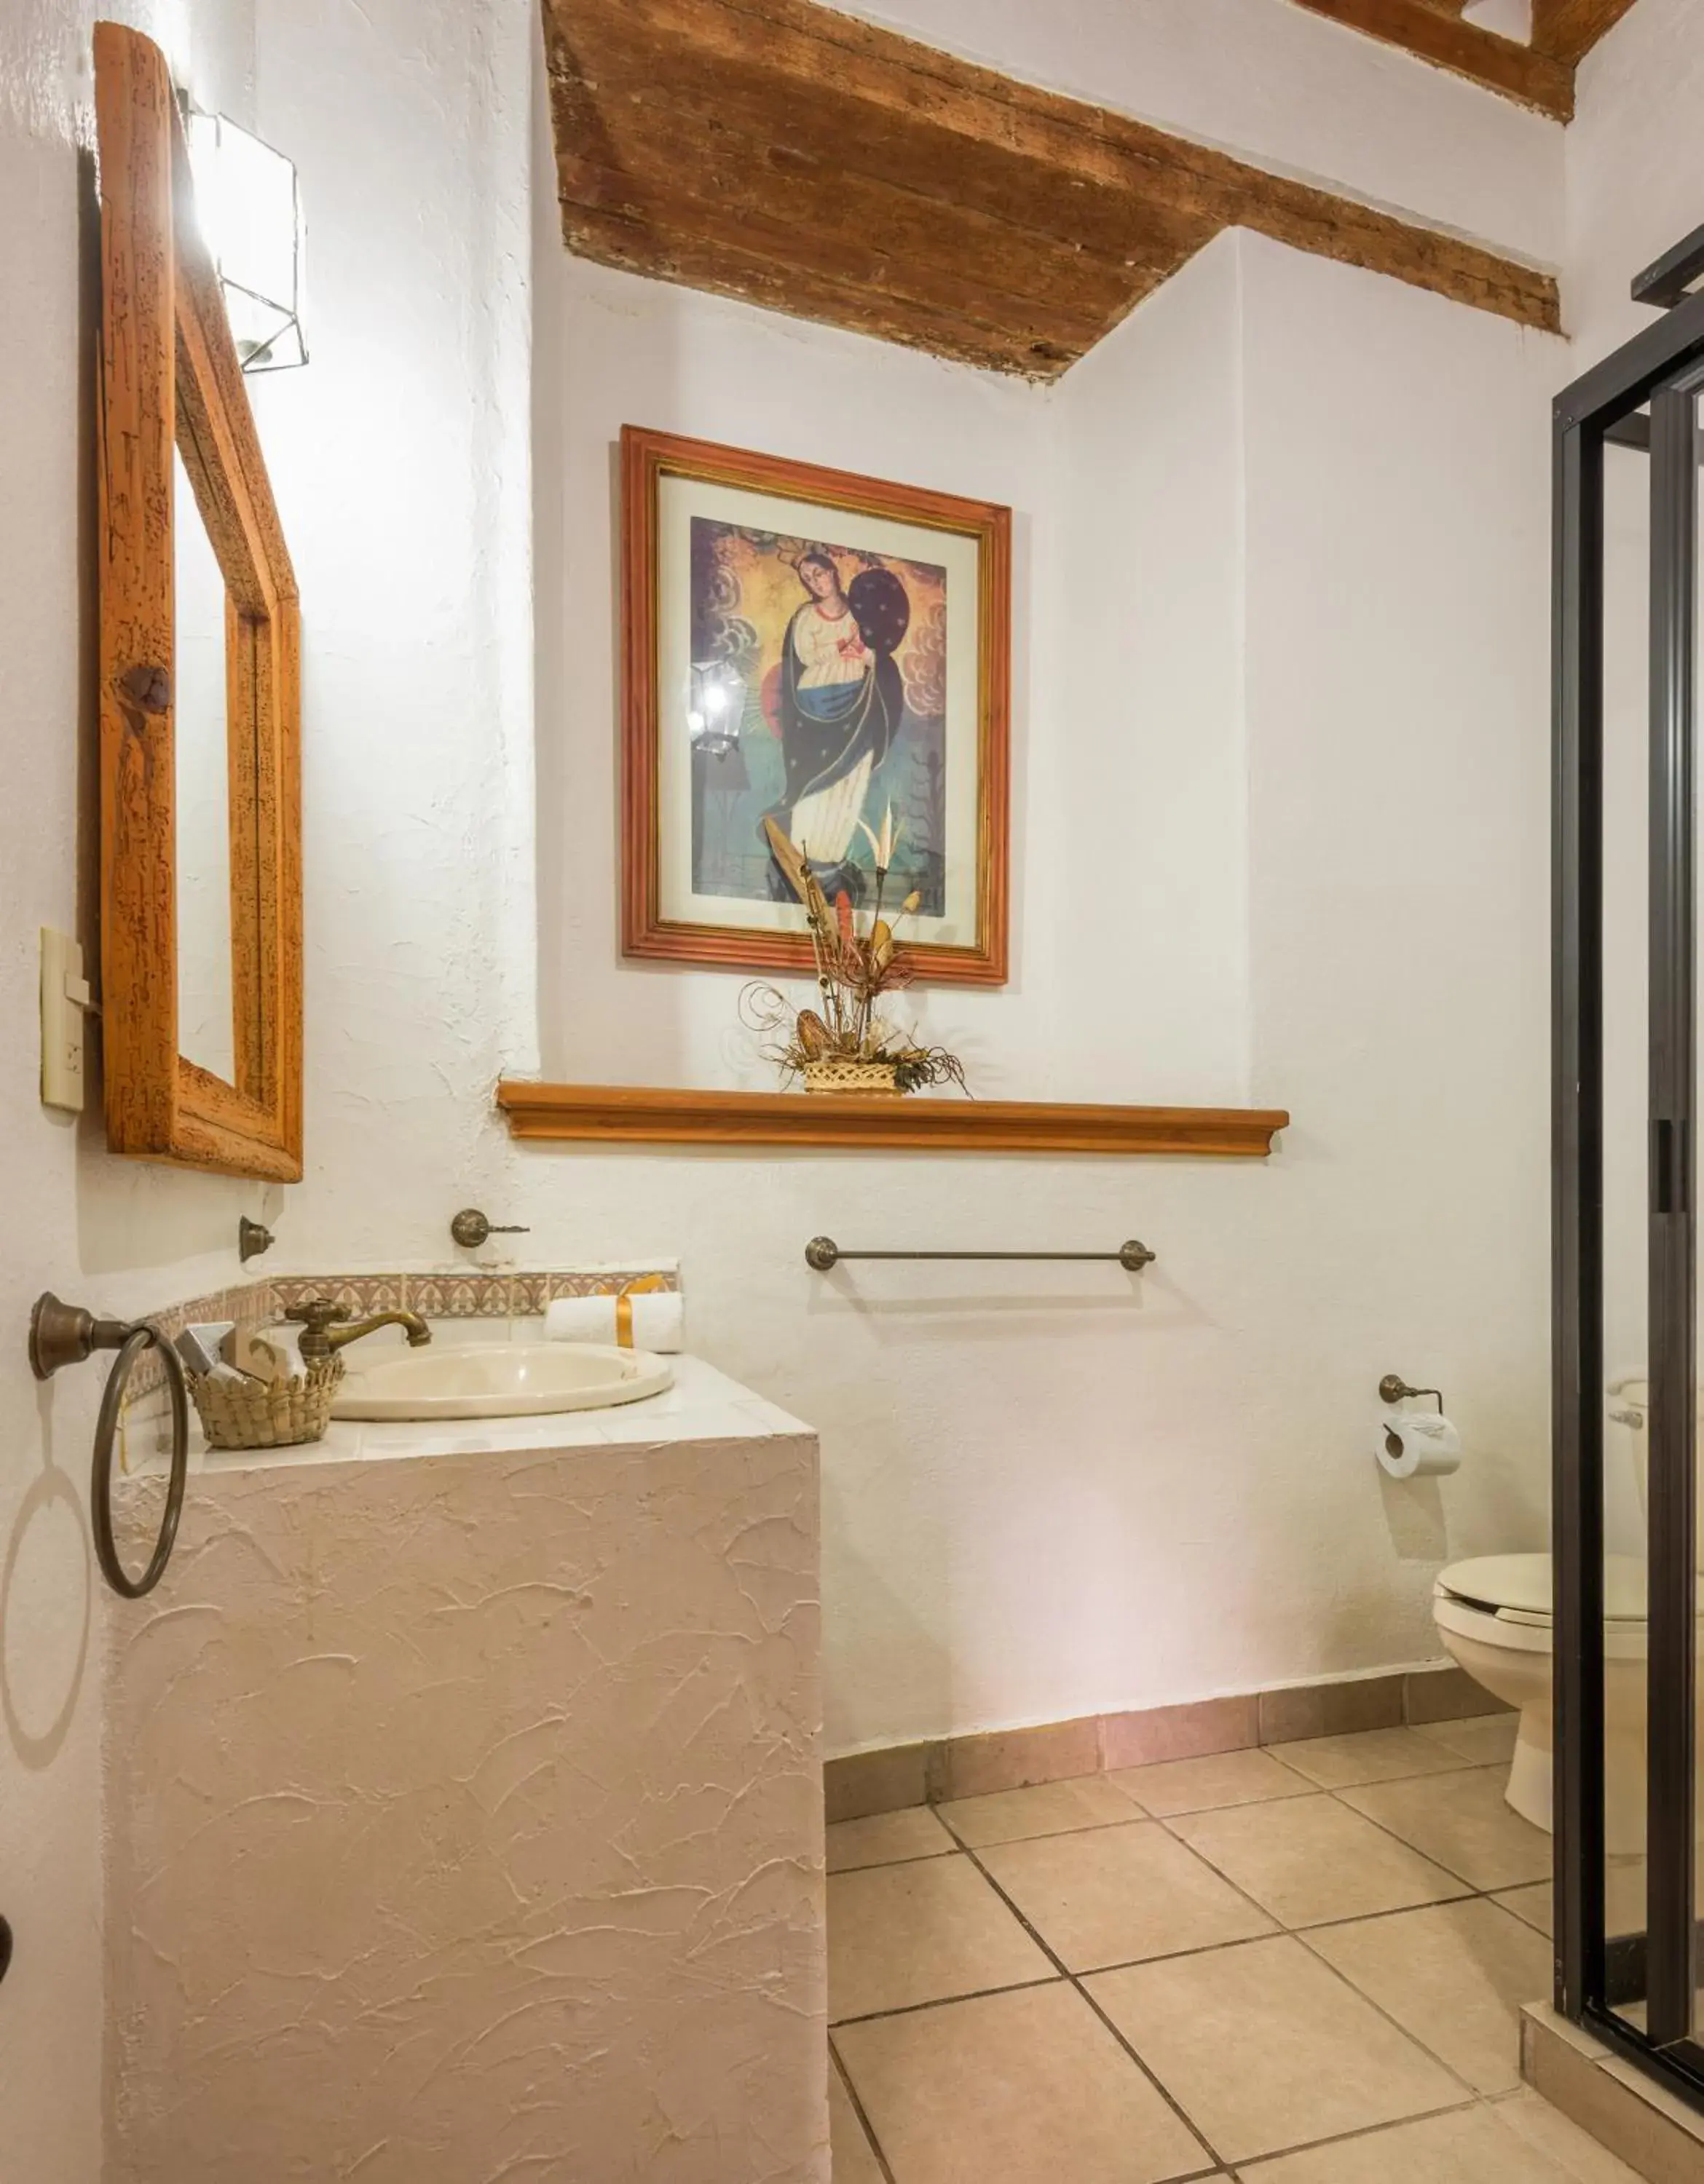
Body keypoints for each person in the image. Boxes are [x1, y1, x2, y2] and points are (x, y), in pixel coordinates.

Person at [768, 550, 903, 901]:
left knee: (851, 779)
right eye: (807, 579)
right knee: (818, 782)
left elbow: (876, 655)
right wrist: (841, 646)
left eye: (819, 573)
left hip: (858, 702)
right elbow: (806, 656)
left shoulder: (860, 613)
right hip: (817, 706)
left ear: (834, 573)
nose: (815, 582)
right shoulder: (805, 617)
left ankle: (830, 861)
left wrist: (865, 654)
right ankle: (803, 856)